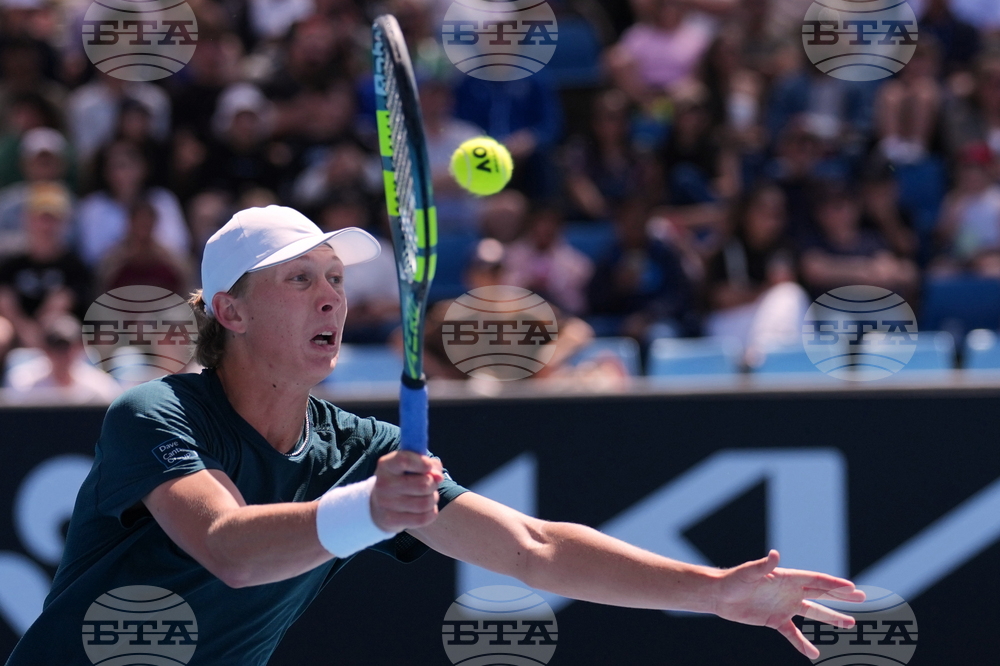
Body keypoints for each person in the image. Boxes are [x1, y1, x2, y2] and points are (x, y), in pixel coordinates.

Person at [5, 206, 864, 665]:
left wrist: (710, 591)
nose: (332, 297)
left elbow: (532, 549)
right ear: (229, 310)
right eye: (299, 280)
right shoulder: (154, 414)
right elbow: (228, 548)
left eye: (337, 278)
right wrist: (370, 512)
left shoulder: (359, 449)